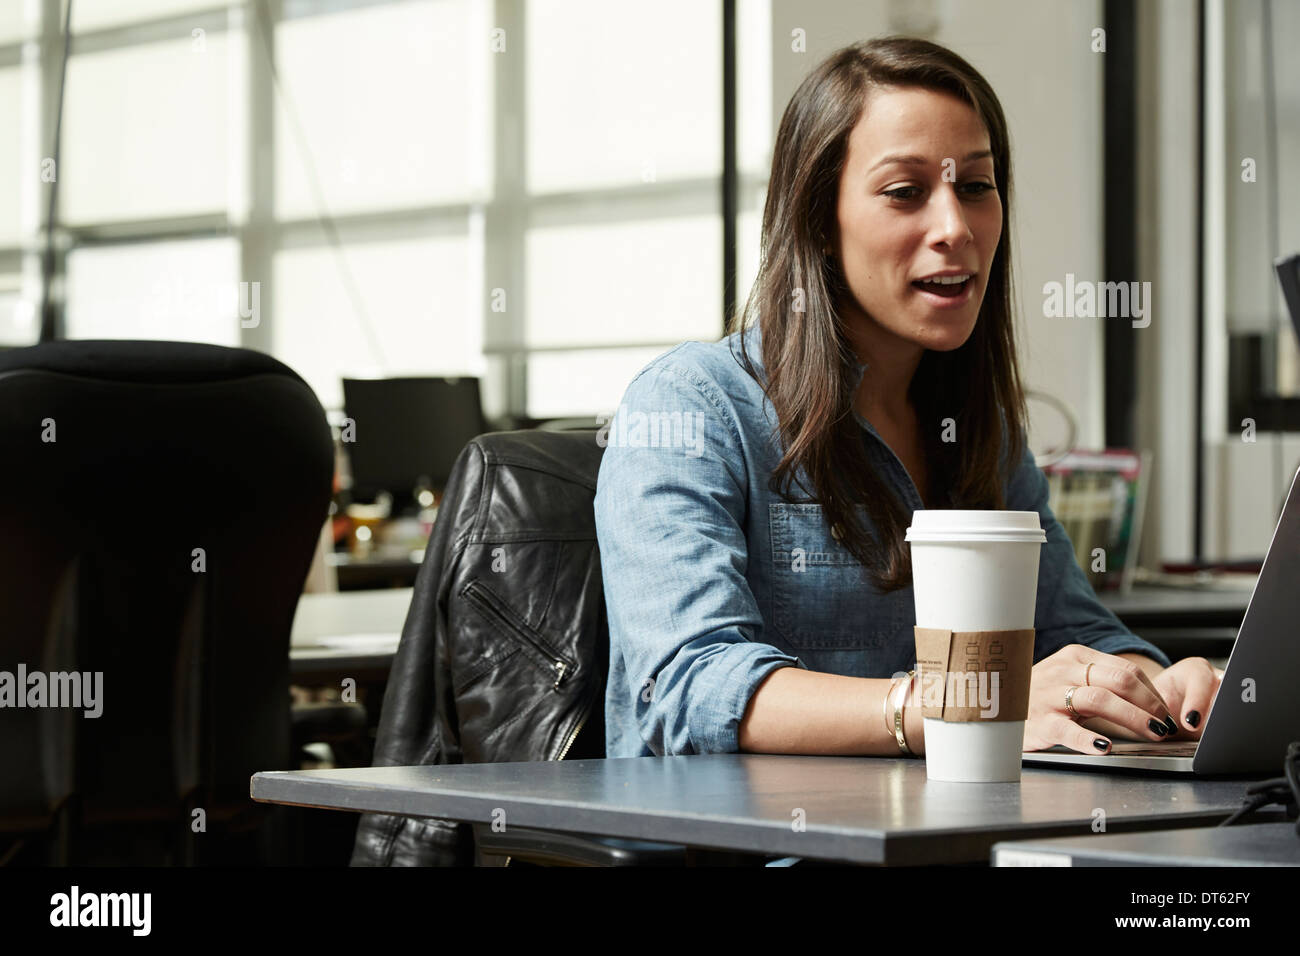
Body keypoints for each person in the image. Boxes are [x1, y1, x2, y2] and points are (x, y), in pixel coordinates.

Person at [593, 35, 1221, 762]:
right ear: (820, 222)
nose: (954, 227)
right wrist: (961, 707)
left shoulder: (982, 427)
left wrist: (1155, 686)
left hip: (948, 831)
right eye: (906, 192)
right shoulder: (691, 407)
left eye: (976, 187)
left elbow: (1067, 632)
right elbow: (692, 685)